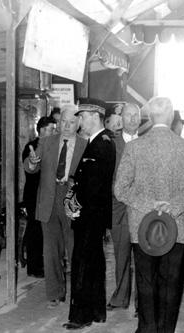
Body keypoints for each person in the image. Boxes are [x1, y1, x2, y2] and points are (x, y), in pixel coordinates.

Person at [115, 97, 184, 333]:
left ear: (150, 117)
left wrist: (150, 204)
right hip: (176, 229)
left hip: (142, 229)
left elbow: (120, 189)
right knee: (170, 288)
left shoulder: (134, 147)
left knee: (145, 286)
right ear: (172, 115)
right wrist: (172, 206)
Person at [24, 105, 87, 308]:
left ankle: (79, 295)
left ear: (78, 125)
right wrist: (33, 162)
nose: (67, 126)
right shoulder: (46, 142)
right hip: (48, 201)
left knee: (75, 249)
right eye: (63, 122)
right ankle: (55, 293)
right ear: (58, 123)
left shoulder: (86, 145)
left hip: (72, 201)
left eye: (71, 123)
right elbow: (30, 166)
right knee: (51, 251)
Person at [63, 98, 116, 330]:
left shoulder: (102, 143)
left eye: (82, 116)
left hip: (89, 216)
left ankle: (80, 316)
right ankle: (95, 311)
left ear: (95, 116)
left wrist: (75, 207)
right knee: (93, 263)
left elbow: (93, 187)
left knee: (83, 264)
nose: (80, 121)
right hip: (92, 216)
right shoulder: (97, 142)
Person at [107, 103, 141, 314]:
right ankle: (120, 298)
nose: (132, 119)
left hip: (142, 208)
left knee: (143, 258)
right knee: (121, 255)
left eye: (135, 116)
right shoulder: (111, 144)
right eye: (128, 115)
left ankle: (142, 302)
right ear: (121, 118)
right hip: (118, 208)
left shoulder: (148, 143)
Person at [21, 116, 56, 278]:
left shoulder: (51, 145)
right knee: (35, 230)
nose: (54, 132)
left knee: (42, 231)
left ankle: (41, 264)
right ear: (41, 130)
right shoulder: (32, 147)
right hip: (34, 195)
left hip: (44, 195)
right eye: (51, 129)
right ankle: (34, 267)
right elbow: (32, 169)